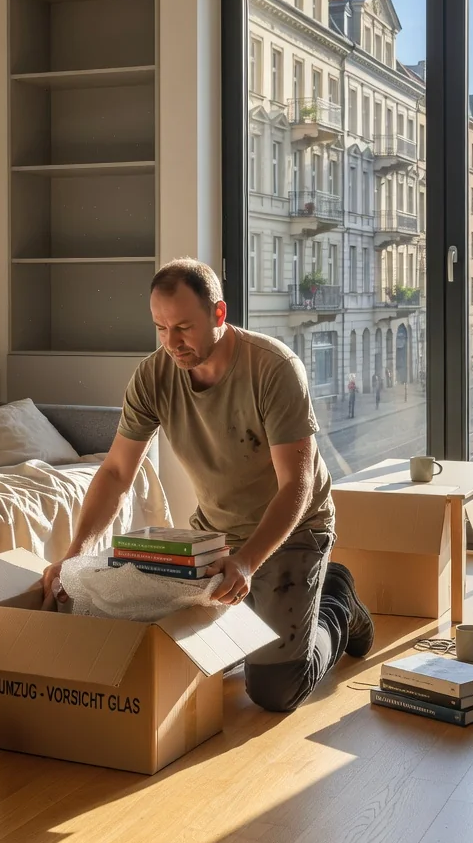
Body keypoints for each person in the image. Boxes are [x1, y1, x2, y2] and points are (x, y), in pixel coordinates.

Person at [41, 258, 374, 714]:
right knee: (186, 661)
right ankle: (282, 604)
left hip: (293, 531)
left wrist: (247, 563)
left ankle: (336, 599)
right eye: (160, 328)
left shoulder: (274, 368)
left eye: (183, 327)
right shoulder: (153, 375)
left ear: (219, 314)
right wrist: (77, 551)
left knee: (274, 690)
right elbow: (118, 472)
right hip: (213, 533)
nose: (171, 343)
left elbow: (297, 483)